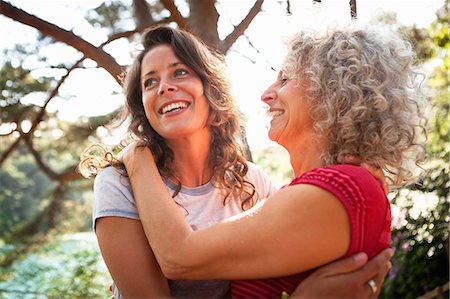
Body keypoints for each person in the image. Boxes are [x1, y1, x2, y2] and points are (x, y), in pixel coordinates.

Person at [79, 25, 394, 299]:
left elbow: (183, 257)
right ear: (142, 104)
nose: (164, 87)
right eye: (149, 82)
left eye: (180, 72)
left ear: (210, 89)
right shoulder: (121, 180)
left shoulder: (251, 181)